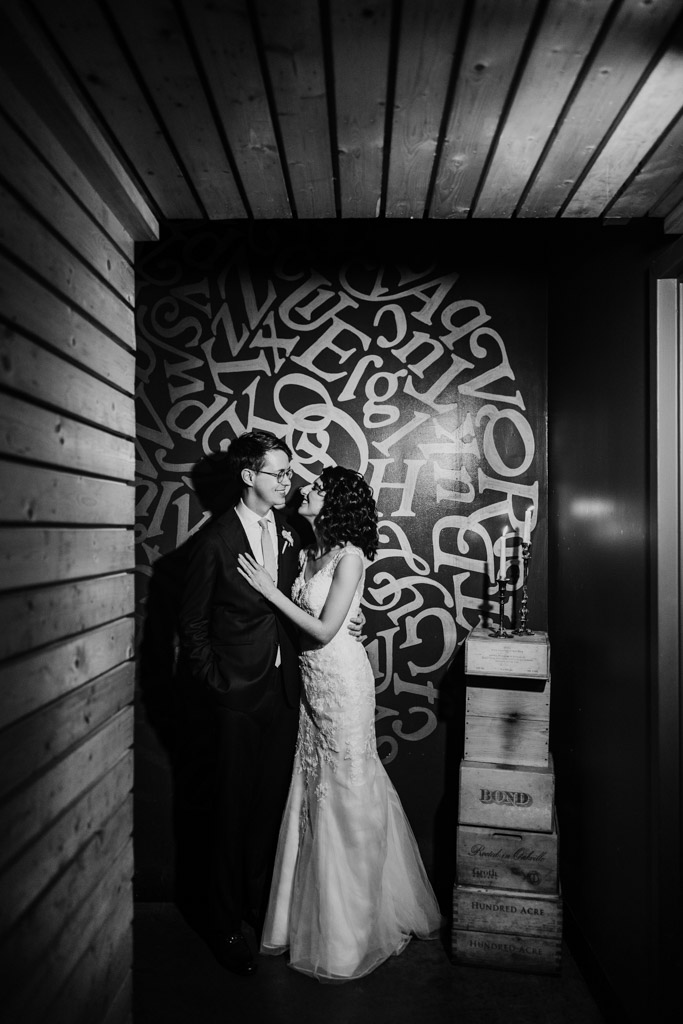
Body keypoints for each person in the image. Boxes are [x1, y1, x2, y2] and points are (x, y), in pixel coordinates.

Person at [238, 466, 442, 982]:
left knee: (347, 792)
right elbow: (323, 617)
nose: (305, 490)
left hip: (344, 684)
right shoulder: (309, 552)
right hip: (311, 688)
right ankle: (298, 921)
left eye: (317, 488)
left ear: (336, 503)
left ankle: (350, 934)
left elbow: (328, 628)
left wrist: (269, 590)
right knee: (312, 793)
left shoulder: (350, 555)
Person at [179, 429, 303, 977]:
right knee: (229, 813)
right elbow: (192, 627)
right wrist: (220, 685)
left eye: (288, 472)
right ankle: (225, 924)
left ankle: (260, 908)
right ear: (249, 477)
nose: (288, 481)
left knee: (268, 808)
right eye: (278, 473)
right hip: (235, 698)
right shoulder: (214, 541)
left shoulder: (292, 530)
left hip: (283, 692)